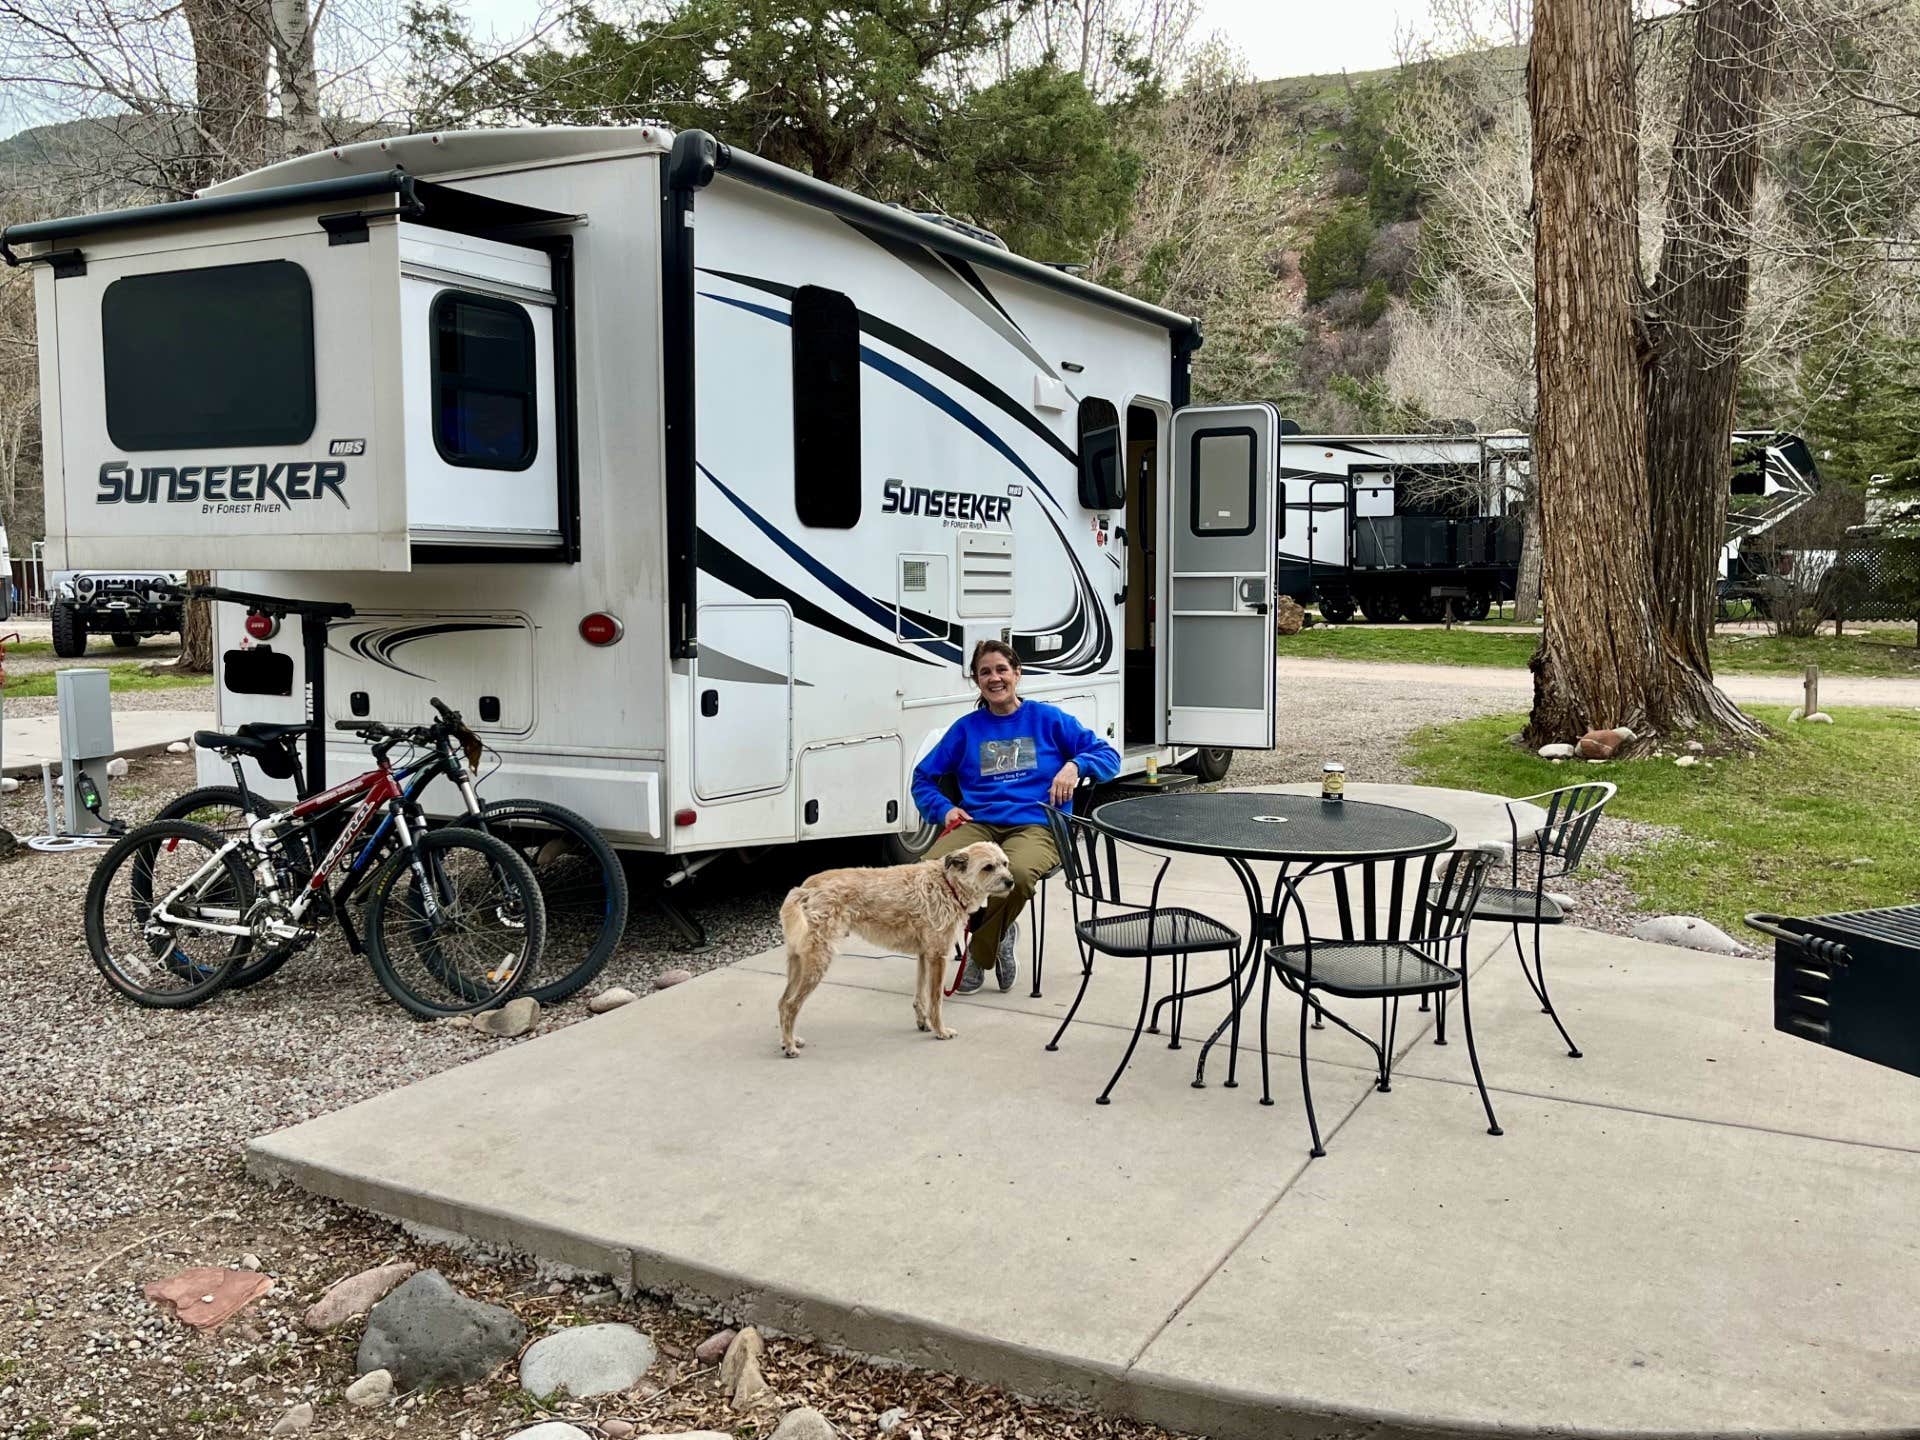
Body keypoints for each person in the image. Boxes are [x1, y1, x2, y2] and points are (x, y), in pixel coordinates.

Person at [912, 639, 1121, 993]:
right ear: (977, 681)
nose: (994, 678)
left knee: (1017, 876)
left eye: (1001, 669)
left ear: (1017, 673)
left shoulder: (1048, 719)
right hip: (979, 824)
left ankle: (980, 953)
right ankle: (1001, 931)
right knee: (931, 872)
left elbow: (1109, 756)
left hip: (1037, 823)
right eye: (985, 672)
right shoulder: (966, 729)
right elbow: (922, 778)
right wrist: (944, 809)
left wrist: (1075, 765)